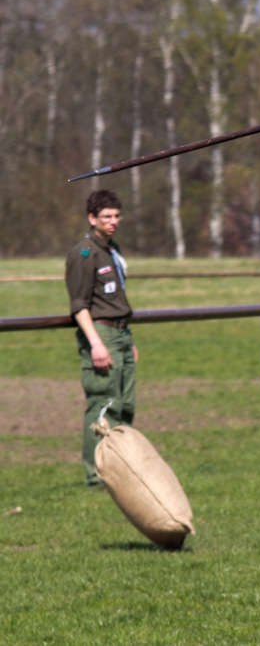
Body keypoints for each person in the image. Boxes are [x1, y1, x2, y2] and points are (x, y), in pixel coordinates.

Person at [65, 189, 137, 487]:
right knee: (104, 404)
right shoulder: (84, 254)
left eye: (117, 216)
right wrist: (96, 343)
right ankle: (97, 476)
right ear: (92, 218)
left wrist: (129, 340)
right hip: (101, 334)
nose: (113, 221)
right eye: (106, 216)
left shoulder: (111, 250)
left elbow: (116, 299)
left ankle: (120, 469)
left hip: (121, 333)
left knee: (126, 405)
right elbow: (79, 306)